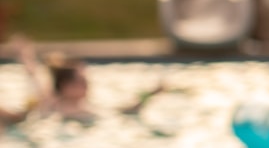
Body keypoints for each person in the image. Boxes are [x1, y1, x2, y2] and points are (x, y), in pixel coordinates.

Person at [13, 35, 162, 122]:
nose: (86, 85)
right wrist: (27, 58)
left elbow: (126, 111)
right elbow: (35, 79)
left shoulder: (90, 106)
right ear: (66, 86)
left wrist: (151, 94)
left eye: (86, 81)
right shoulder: (53, 105)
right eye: (81, 82)